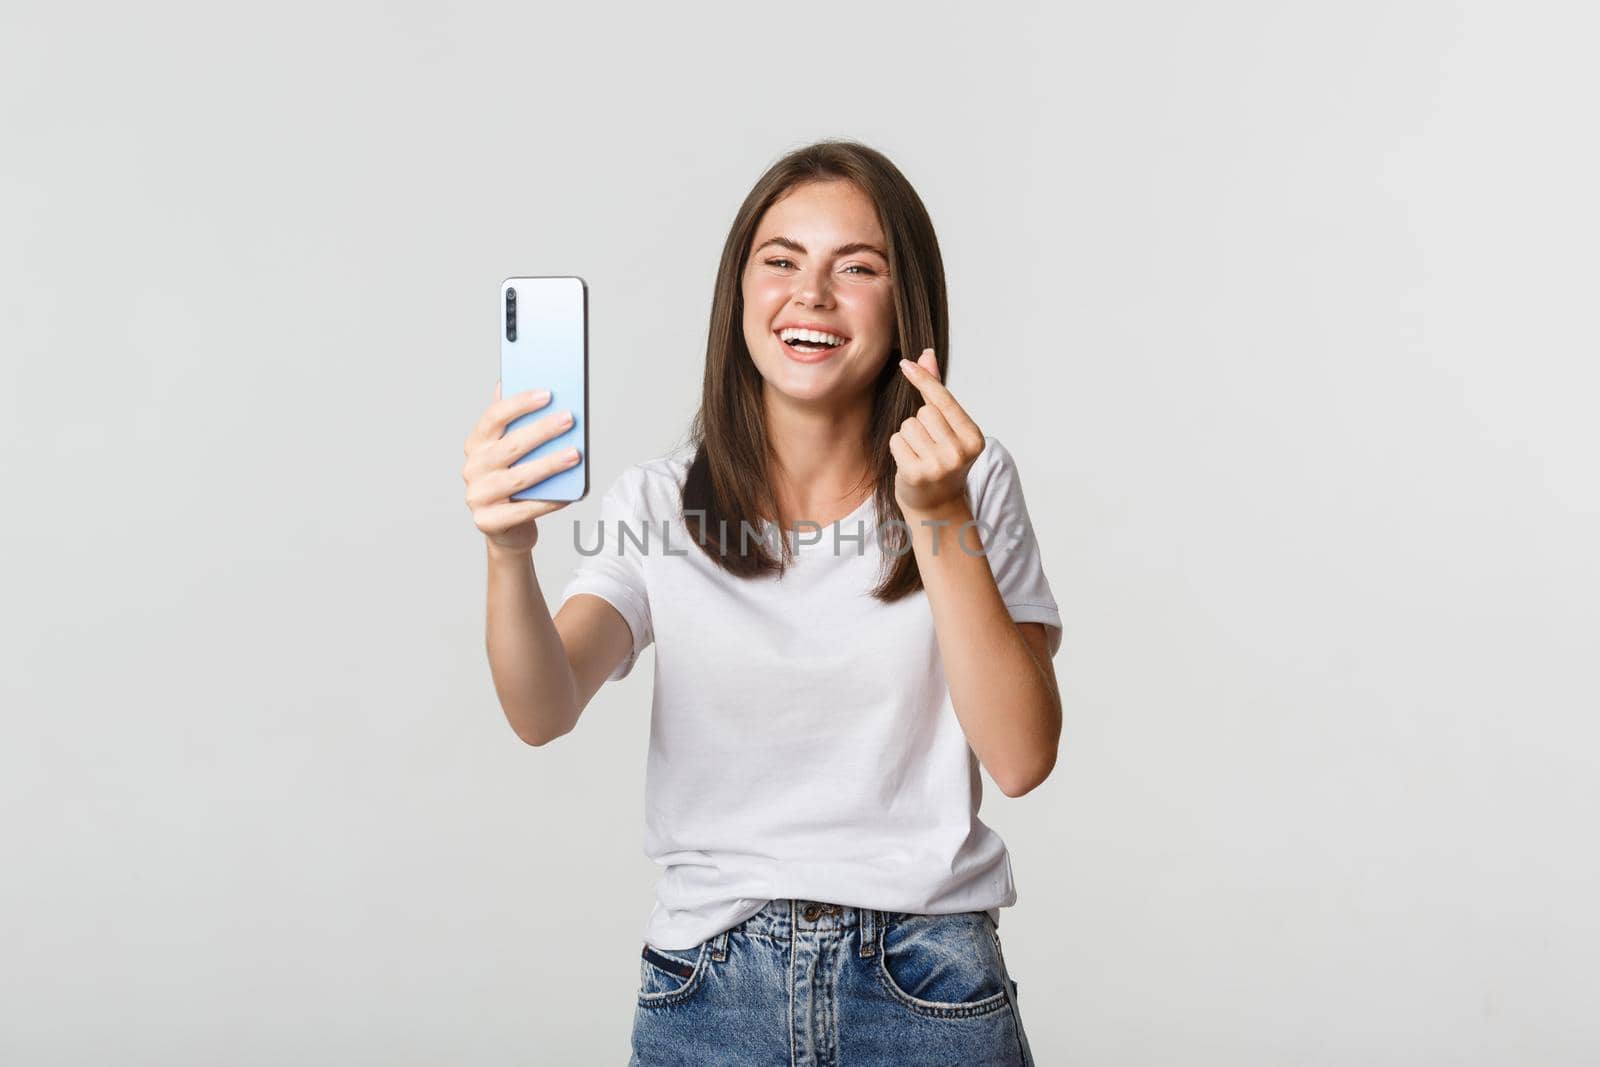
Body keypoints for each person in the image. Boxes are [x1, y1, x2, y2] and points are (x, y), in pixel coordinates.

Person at [462, 140, 1060, 1066]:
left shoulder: (968, 483)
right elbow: (541, 709)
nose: (811, 294)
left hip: (930, 982)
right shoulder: (660, 504)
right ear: (738, 293)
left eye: (856, 267)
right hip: (710, 986)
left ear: (908, 306)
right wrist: (509, 551)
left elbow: (1021, 756)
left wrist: (937, 513)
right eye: (780, 260)